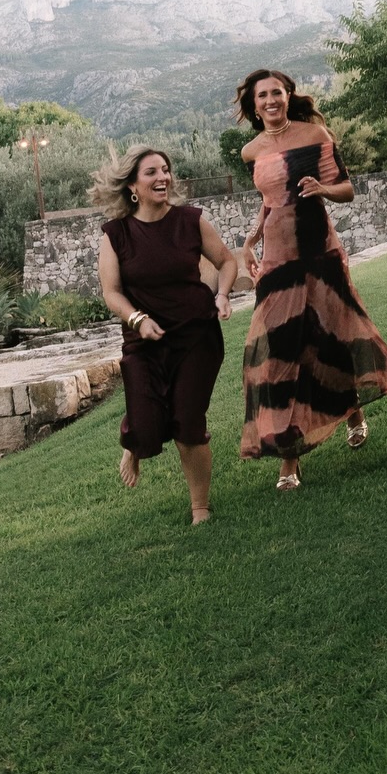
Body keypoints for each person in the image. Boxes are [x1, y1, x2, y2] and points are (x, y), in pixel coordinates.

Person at [236, 68, 387, 488]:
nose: (270, 100)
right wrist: (249, 241)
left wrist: (322, 189)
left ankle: (352, 409)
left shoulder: (315, 134)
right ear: (254, 103)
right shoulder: (250, 151)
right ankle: (290, 457)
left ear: (288, 95)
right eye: (262, 95)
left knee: (331, 336)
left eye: (276, 93)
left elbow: (347, 189)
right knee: (279, 351)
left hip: (320, 251)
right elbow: (269, 202)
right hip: (278, 259)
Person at [94, 146, 237, 525]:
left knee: (188, 421)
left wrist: (222, 294)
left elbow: (226, 261)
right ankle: (136, 441)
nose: (163, 177)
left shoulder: (190, 221)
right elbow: (111, 292)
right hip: (144, 339)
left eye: (166, 170)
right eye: (152, 172)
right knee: (146, 426)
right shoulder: (116, 234)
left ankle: (200, 508)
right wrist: (137, 319)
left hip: (196, 335)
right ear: (132, 186)